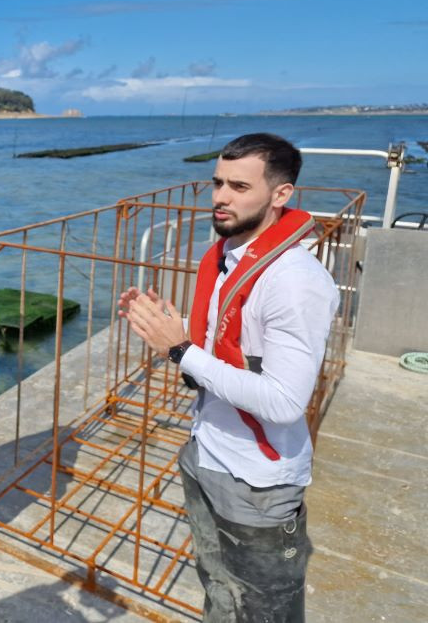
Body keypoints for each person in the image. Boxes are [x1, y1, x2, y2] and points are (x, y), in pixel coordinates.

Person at [119, 133, 338, 622]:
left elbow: (284, 401)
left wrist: (179, 349)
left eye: (239, 186)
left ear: (281, 195)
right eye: (217, 182)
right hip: (207, 451)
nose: (220, 197)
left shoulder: (294, 281)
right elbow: (228, 349)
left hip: (258, 483)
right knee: (219, 588)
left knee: (263, 609)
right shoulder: (230, 257)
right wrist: (170, 328)